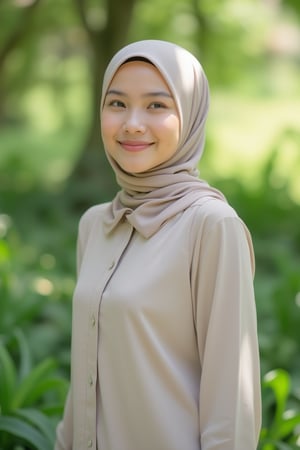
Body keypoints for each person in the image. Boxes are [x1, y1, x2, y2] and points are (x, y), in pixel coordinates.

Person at [55, 39, 261, 450]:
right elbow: (86, 375)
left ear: (190, 116)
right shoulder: (96, 225)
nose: (132, 123)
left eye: (156, 106)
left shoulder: (211, 226)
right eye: (116, 104)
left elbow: (232, 402)